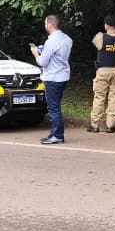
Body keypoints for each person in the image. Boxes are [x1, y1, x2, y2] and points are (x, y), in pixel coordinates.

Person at [31, 14, 72, 144]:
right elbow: (57, 57)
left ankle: (57, 135)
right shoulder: (67, 39)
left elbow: (42, 62)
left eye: (45, 23)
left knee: (53, 108)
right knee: (56, 106)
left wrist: (36, 53)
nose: (44, 26)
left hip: (53, 77)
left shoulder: (51, 41)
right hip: (63, 75)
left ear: (49, 25)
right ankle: (54, 133)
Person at [88, 14, 115, 133]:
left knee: (99, 97)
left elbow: (95, 44)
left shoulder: (100, 37)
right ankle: (110, 125)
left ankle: (94, 125)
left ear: (107, 25)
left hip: (103, 71)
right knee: (114, 98)